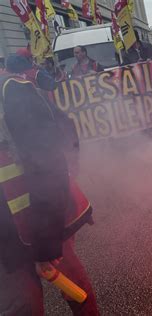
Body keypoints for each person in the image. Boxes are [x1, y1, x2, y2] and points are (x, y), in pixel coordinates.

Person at [0, 55, 98, 315]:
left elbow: (48, 163)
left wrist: (45, 245)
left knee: (74, 288)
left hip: (36, 219)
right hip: (7, 237)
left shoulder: (13, 93)